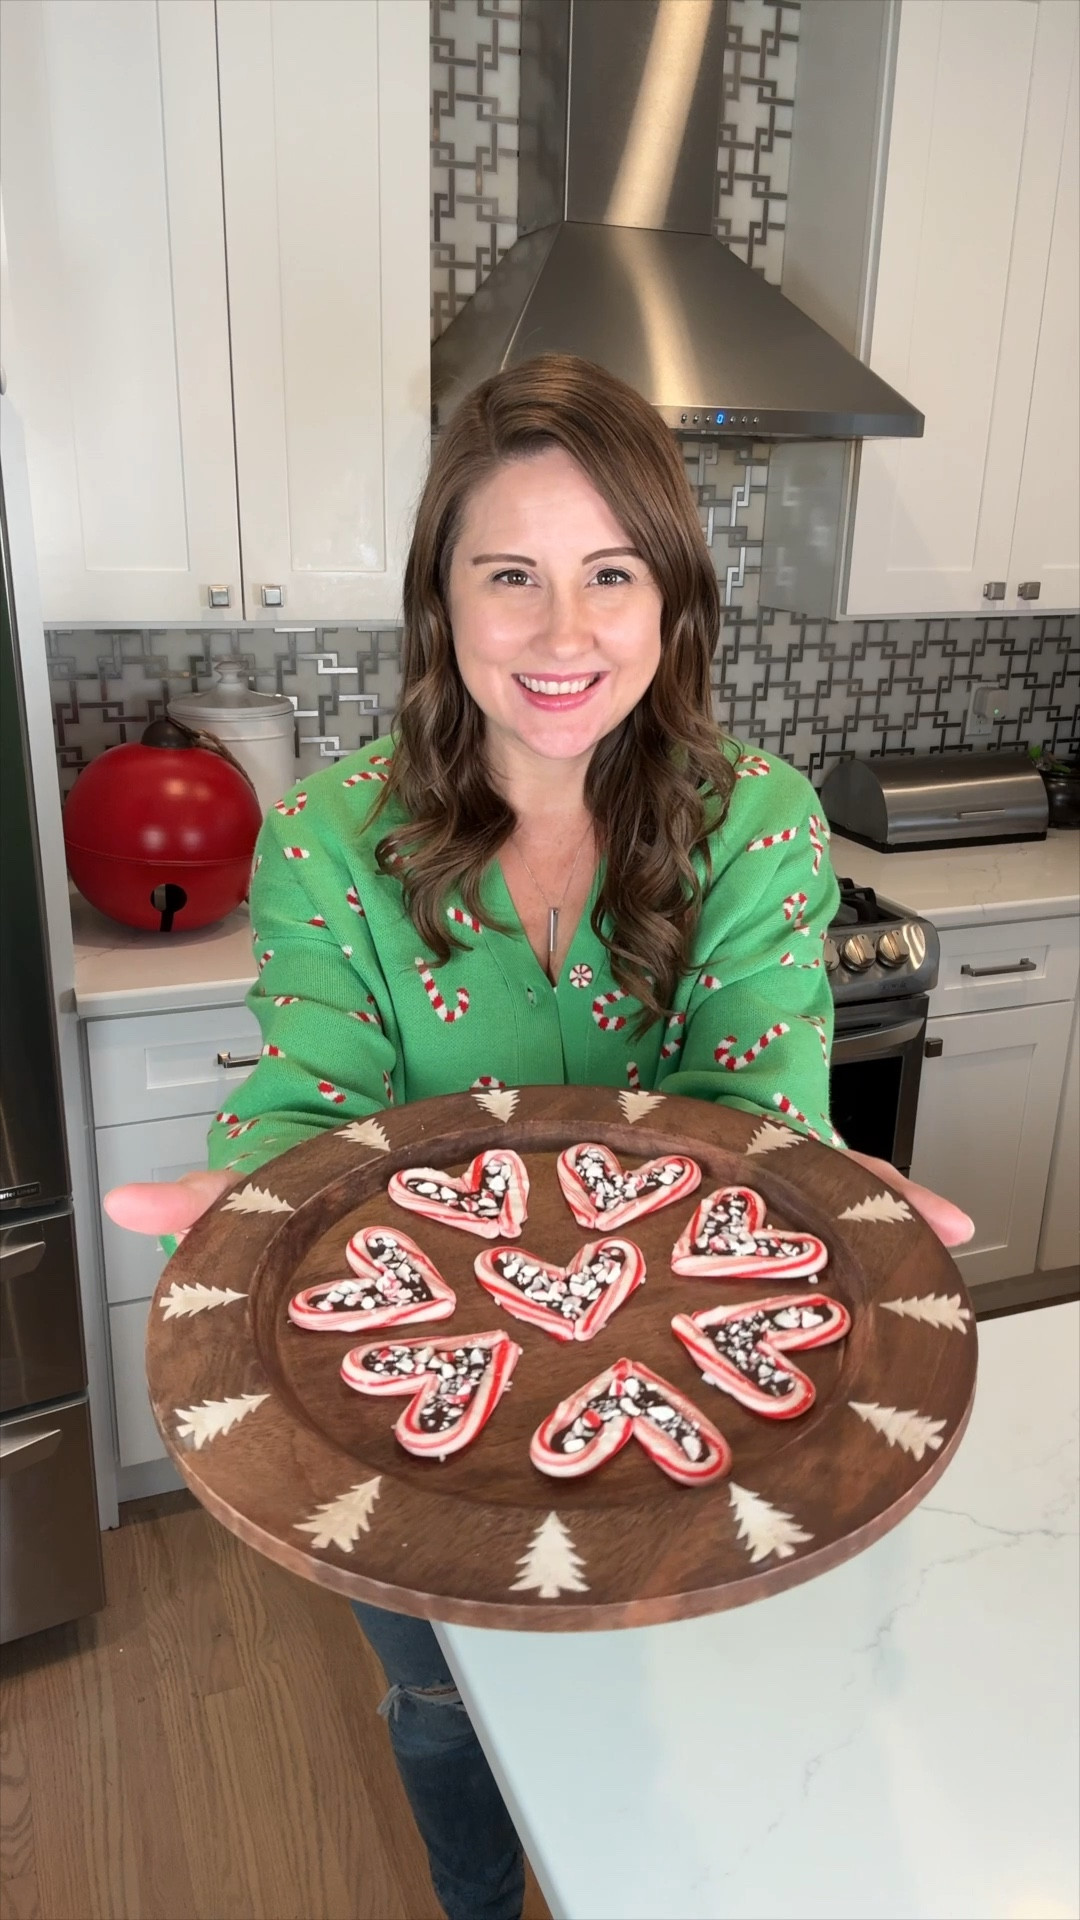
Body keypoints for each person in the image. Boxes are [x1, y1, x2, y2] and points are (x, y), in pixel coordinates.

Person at [106, 354, 973, 1920]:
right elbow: (311, 1095)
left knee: (645, 1685)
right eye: (512, 575)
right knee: (442, 1701)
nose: (563, 633)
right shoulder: (327, 839)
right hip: (417, 1413)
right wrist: (252, 1187)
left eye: (609, 575)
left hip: (668, 1384)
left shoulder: (758, 816)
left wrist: (828, 1187)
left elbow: (757, 1115)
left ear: (671, 602)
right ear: (445, 602)